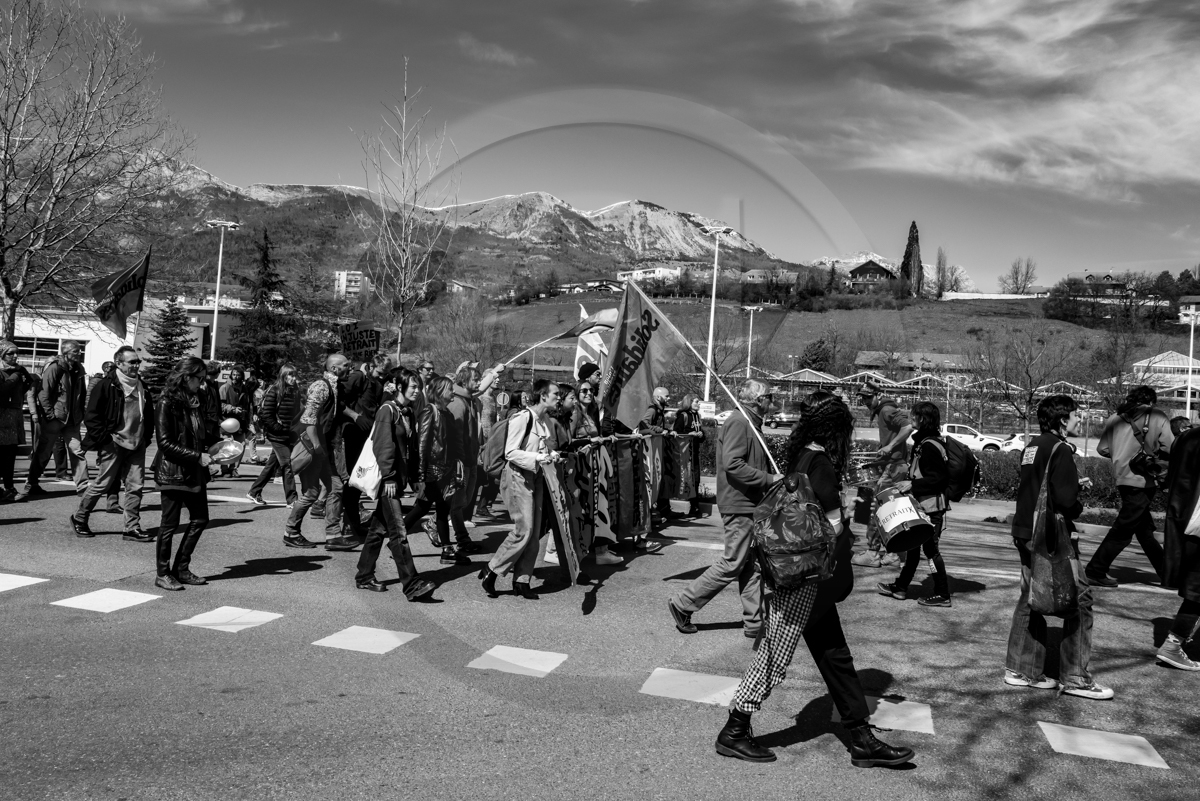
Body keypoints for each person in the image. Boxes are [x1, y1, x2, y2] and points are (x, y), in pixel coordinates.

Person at [715, 393, 915, 768]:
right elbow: (833, 525)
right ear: (835, 428)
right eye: (846, 427)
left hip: (801, 575)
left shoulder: (802, 456)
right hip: (807, 580)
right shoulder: (820, 462)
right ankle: (735, 729)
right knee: (774, 656)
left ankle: (861, 737)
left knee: (835, 657)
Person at [1005, 394, 1112, 699]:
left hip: (1026, 529)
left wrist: (1072, 483)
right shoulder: (1061, 449)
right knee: (1081, 599)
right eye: (1076, 415)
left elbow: (1039, 485)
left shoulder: (1033, 445)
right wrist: (1076, 499)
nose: (1080, 420)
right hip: (1051, 536)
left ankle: (1021, 669)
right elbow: (1064, 501)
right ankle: (1076, 677)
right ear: (1063, 419)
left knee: (1030, 596)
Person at [668, 380, 778, 639]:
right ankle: (684, 603)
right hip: (740, 503)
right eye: (770, 397)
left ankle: (755, 622)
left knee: (750, 563)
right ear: (758, 400)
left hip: (750, 503)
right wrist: (769, 479)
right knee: (734, 562)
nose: (773, 402)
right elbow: (733, 465)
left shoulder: (748, 422)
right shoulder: (739, 422)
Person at [354, 369, 437, 601]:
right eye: (412, 386)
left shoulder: (406, 412)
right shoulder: (387, 410)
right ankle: (411, 584)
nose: (417, 390)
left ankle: (363, 575)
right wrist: (389, 477)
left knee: (377, 530)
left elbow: (407, 451)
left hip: (396, 481)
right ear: (400, 387)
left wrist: (414, 479)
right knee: (398, 532)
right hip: (386, 481)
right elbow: (383, 445)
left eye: (418, 386)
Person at [478, 378, 561, 599]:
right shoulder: (523, 418)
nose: (559, 398)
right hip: (517, 476)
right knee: (523, 530)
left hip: (536, 477)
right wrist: (539, 457)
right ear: (543, 395)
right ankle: (492, 569)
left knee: (533, 535)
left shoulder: (542, 420)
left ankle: (522, 581)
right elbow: (511, 453)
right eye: (556, 394)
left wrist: (550, 456)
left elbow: (538, 448)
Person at [1086, 385, 1174, 587]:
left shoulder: (1115, 418)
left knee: (1144, 530)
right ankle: (1095, 570)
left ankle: (1167, 574)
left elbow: (1103, 449)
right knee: (1123, 529)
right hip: (1144, 480)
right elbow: (1170, 447)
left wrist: (1121, 454)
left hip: (1122, 478)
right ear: (1151, 401)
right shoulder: (1157, 416)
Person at [71, 346, 155, 542]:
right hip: (113, 442)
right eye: (132, 362)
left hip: (136, 443)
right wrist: (105, 439)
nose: (136, 365)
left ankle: (131, 528)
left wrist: (146, 437)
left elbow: (148, 415)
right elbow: (91, 416)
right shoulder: (106, 385)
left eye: (138, 362)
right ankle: (80, 518)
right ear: (119, 363)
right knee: (103, 483)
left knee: (135, 486)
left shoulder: (142, 385)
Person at [876, 401, 953, 607]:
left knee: (931, 551)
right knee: (913, 547)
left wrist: (912, 483)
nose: (911, 418)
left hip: (932, 508)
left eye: (914, 415)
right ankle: (901, 588)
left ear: (923, 418)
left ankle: (943, 594)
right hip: (922, 506)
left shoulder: (929, 446)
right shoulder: (924, 442)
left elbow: (939, 478)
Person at [151, 357, 215, 591]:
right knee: (169, 524)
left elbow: (198, 434)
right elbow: (165, 443)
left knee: (200, 519)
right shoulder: (167, 402)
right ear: (187, 377)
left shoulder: (196, 399)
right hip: (173, 471)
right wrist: (198, 457)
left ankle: (182, 568)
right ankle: (162, 573)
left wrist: (215, 448)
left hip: (194, 469)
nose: (203, 383)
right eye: (199, 378)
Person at [284, 352, 350, 550]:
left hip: (324, 448)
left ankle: (333, 535)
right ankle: (291, 532)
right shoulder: (321, 386)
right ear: (334, 368)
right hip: (315, 448)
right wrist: (318, 447)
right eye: (346, 365)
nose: (350, 368)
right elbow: (309, 420)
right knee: (312, 492)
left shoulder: (335, 387)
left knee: (336, 487)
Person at [404, 374, 469, 565]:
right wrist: (421, 473)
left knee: (443, 507)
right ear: (440, 391)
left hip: (446, 468)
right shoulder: (429, 411)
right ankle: (396, 542)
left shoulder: (446, 413)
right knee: (422, 507)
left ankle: (447, 550)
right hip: (433, 469)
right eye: (450, 390)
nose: (453, 394)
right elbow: (422, 444)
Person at [852, 381, 912, 568]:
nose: (866, 401)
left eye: (868, 397)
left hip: (893, 467)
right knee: (891, 511)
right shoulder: (884, 410)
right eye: (862, 398)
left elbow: (908, 427)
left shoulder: (886, 411)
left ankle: (872, 553)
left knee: (877, 510)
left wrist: (890, 446)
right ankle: (894, 554)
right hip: (894, 465)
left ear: (878, 395)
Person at [17, 340, 88, 499]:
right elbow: (44, 394)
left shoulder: (79, 369)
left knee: (77, 451)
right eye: (76, 351)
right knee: (43, 453)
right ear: (66, 352)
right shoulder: (55, 367)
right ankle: (32, 483)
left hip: (72, 420)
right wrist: (49, 415)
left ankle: (83, 486)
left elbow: (81, 395)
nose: (79, 353)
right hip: (55, 418)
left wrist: (80, 413)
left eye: (80, 351)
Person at [1160, 424, 1200, 671]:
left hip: (1187, 520)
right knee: (1197, 590)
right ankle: (1173, 643)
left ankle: (1174, 643)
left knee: (1197, 587)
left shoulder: (1187, 437)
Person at [570, 380, 621, 566]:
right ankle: (562, 550)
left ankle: (593, 549)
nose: (589, 393)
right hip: (580, 467)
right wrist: (590, 442)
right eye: (584, 390)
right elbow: (569, 440)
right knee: (581, 508)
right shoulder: (576, 413)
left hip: (593, 466)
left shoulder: (588, 412)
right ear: (576, 393)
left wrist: (602, 438)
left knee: (594, 507)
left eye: (591, 390)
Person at [341, 353, 391, 542]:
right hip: (353, 432)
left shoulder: (378, 383)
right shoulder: (358, 377)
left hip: (367, 435)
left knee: (360, 480)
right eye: (380, 372)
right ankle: (348, 525)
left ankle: (353, 523)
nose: (382, 376)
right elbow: (339, 400)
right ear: (371, 367)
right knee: (352, 481)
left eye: (385, 374)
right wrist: (355, 416)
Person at [246, 363, 301, 506]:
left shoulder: (295, 391)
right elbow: (266, 414)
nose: (294, 378)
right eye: (291, 375)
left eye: (295, 375)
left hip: (289, 435)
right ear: (283, 375)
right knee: (287, 465)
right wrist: (278, 428)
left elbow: (295, 414)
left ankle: (254, 491)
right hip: (277, 435)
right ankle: (292, 500)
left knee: (271, 465)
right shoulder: (274, 391)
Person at [447, 364, 484, 554]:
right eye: (475, 379)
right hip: (462, 462)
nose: (479, 382)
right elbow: (455, 436)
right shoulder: (458, 403)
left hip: (471, 459)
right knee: (457, 503)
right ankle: (461, 539)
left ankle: (460, 538)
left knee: (464, 501)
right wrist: (460, 462)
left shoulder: (470, 400)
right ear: (464, 380)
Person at [0, 341, 34, 501]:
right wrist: (14, 377)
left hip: (14, 415)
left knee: (10, 453)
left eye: (16, 352)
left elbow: (28, 385)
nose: (15, 356)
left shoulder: (20, 370)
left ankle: (9, 487)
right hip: (2, 416)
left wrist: (25, 377)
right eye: (10, 353)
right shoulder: (3, 372)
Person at [640, 386, 678, 520]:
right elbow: (644, 424)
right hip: (651, 449)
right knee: (654, 478)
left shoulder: (660, 410)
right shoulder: (652, 409)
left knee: (661, 477)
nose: (669, 398)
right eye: (666, 396)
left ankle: (663, 509)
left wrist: (667, 430)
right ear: (657, 397)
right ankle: (653, 511)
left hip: (658, 448)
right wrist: (659, 430)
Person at [672, 393, 704, 517]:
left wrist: (701, 434)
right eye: (696, 401)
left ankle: (694, 506)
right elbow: (677, 432)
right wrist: (689, 434)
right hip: (686, 452)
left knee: (696, 480)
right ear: (689, 402)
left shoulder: (697, 416)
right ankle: (693, 506)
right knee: (689, 479)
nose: (698, 404)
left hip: (695, 451)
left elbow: (700, 433)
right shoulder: (683, 416)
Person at [218, 364, 253, 477]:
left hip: (241, 422)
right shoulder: (224, 388)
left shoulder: (245, 389)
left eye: (238, 375)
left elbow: (248, 406)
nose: (235, 377)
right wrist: (233, 409)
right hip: (226, 421)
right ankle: (224, 469)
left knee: (240, 446)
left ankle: (234, 468)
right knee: (226, 446)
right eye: (233, 374)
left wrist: (249, 421)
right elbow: (220, 405)